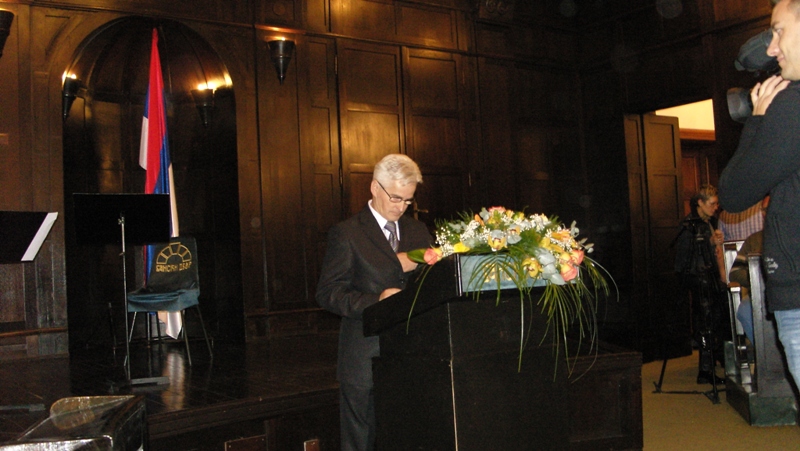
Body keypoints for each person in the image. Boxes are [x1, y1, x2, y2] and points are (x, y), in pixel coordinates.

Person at [316, 153, 433, 451]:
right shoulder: (347, 233)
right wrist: (376, 301)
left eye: (408, 200)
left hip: (411, 355)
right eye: (395, 197)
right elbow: (329, 293)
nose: (400, 207)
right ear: (374, 187)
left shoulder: (418, 231)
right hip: (364, 357)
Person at [719, 0, 800, 391]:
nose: (771, 48)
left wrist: (757, 119)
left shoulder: (793, 105)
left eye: (779, 30)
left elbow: (734, 193)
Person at [673, 184, 728, 384]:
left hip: (710, 277)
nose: (716, 207)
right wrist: (709, 242)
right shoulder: (689, 225)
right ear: (700, 203)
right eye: (712, 204)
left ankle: (715, 358)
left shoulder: (709, 222)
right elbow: (683, 257)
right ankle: (705, 370)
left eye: (716, 204)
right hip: (699, 279)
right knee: (705, 323)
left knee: (716, 320)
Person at [727, 197, 769, 344]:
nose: (766, 213)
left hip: (789, 294)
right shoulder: (754, 240)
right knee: (744, 311)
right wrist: (759, 280)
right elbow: (735, 272)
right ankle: (762, 351)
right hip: (759, 295)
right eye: (764, 209)